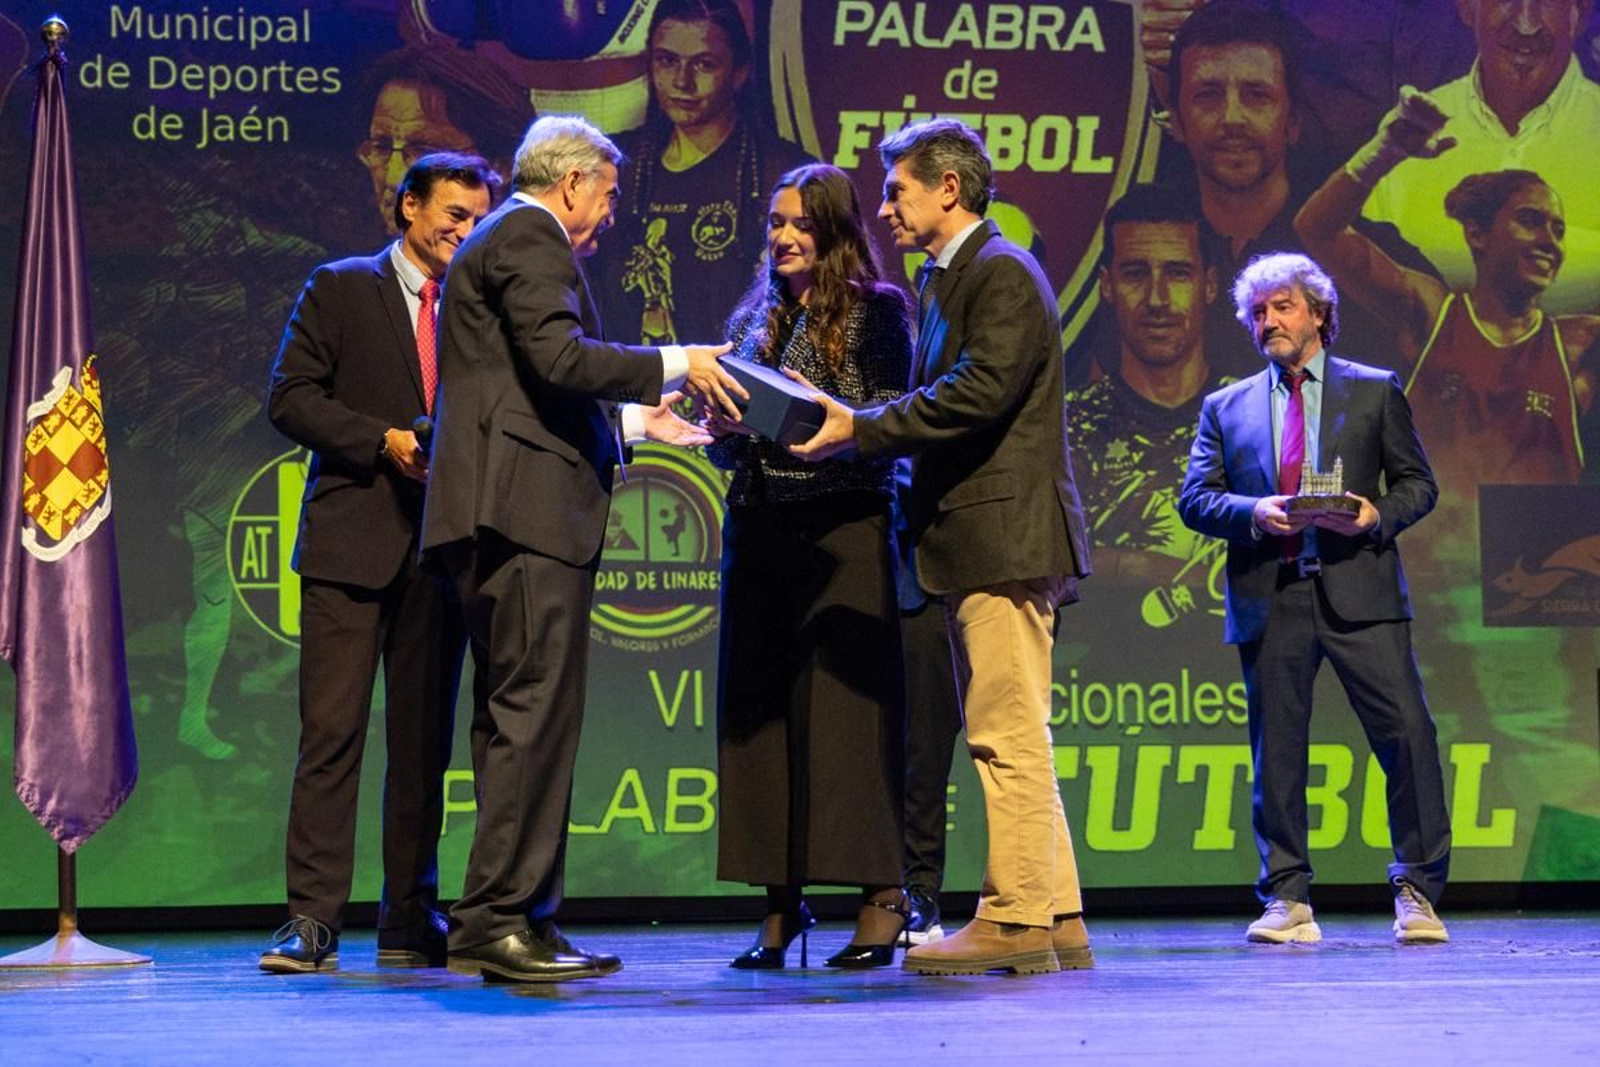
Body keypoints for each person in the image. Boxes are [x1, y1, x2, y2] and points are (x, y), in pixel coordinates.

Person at [418, 115, 743, 983]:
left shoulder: (502, 239)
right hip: (524, 518)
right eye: (604, 194)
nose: (607, 215)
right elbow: (560, 360)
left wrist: (639, 423)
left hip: (503, 512)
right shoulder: (530, 234)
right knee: (532, 720)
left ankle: (522, 914)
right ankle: (497, 921)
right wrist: (678, 361)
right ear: (571, 185)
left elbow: (523, 385)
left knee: (518, 722)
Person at [791, 119, 1094, 977]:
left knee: (1005, 733)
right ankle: (1059, 914)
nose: (883, 207)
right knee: (1013, 727)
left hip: (1002, 536)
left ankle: (1014, 916)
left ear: (948, 190)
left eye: (897, 191)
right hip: (978, 538)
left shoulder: (999, 272)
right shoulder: (951, 278)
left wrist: (863, 427)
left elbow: (979, 392)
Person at [260, 153, 499, 973]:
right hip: (349, 549)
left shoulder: (479, 305)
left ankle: (409, 915)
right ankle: (313, 920)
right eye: (452, 214)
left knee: (424, 746)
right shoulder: (341, 286)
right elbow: (289, 397)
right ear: (408, 208)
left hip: (441, 551)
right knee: (331, 737)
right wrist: (381, 441)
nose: (463, 232)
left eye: (477, 220)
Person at [1176, 251, 1453, 945]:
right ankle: (1288, 898)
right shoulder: (1226, 405)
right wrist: (1254, 511)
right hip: (1274, 594)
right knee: (1279, 754)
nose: (1267, 321)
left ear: (1320, 314)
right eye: (1257, 312)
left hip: (1361, 590)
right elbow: (1196, 499)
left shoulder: (1375, 389)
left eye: (1282, 307)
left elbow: (1419, 485)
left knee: (1409, 737)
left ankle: (1418, 889)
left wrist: (1372, 516)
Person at [703, 163, 914, 970]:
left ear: (832, 232)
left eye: (799, 225)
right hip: (760, 524)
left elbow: (884, 416)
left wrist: (804, 399)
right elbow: (741, 428)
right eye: (774, 224)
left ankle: (880, 897)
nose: (784, 238)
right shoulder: (756, 314)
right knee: (759, 713)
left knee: (846, 719)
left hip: (843, 526)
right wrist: (721, 420)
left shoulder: (876, 311)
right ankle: (779, 905)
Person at [1296, 87, 1596, 492]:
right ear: (1477, 233)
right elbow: (1316, 229)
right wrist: (1384, 153)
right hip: (1428, 551)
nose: (1549, 240)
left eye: (1558, 230)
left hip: (1539, 555)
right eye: (1530, 220)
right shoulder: (1433, 314)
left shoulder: (1581, 343)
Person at [596, 0, 814, 348]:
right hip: (634, 386)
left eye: (704, 64)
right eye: (667, 60)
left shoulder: (782, 171)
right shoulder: (616, 165)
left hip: (739, 387)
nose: (682, 81)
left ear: (739, 72)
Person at [1360, 0, 1600, 314]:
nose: (1526, 25)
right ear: (1467, 7)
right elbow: (1369, 296)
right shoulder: (1411, 132)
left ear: (1580, 14)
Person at [1068, 187, 1234, 591]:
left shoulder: (1260, 421)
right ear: (1107, 285)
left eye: (1177, 274)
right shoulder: (1064, 429)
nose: (1157, 299)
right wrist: (1134, 568)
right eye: (1136, 274)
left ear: (1209, 285)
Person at [357, 45, 534, 237]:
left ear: (501, 167)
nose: (393, 179)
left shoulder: (544, 263)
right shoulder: (348, 265)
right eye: (381, 147)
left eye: (423, 152)